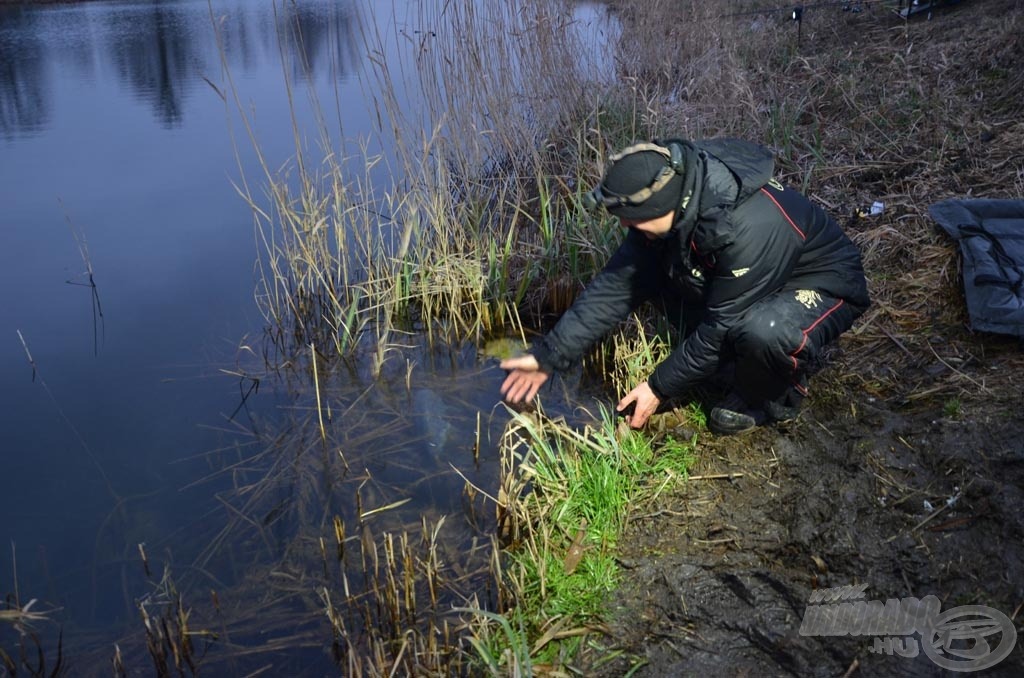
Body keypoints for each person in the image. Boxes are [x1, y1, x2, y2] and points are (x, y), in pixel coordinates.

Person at [499, 138, 870, 435]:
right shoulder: (675, 193)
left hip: (821, 284)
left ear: (662, 207)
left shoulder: (746, 227)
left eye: (633, 220)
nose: (627, 227)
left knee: (764, 332)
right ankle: (738, 367)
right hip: (752, 279)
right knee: (661, 280)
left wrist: (658, 387)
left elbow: (718, 327)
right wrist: (550, 354)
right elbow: (616, 286)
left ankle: (777, 397)